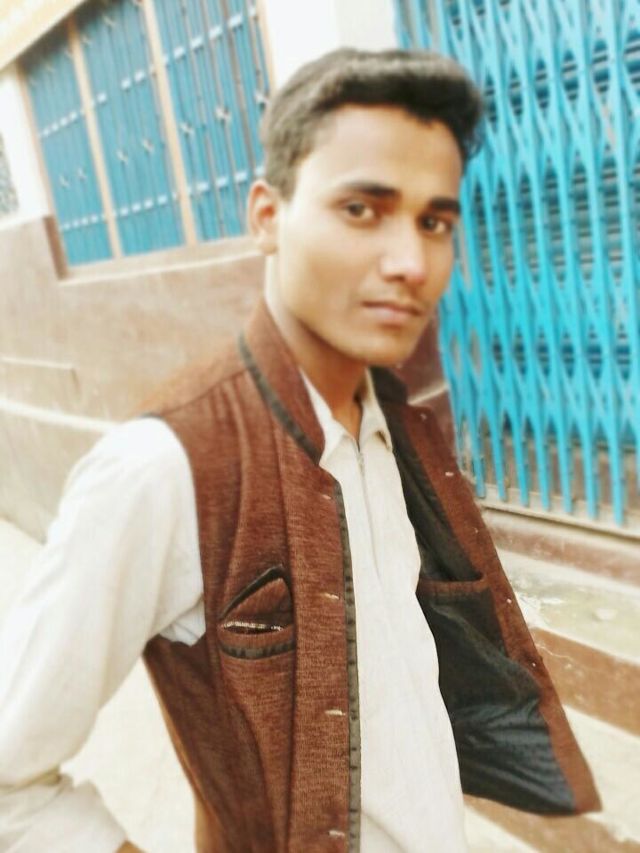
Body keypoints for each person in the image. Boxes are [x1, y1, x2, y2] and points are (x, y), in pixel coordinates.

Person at [0, 48, 598, 852]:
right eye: (361, 209)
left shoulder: (397, 428)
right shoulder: (163, 466)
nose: (410, 263)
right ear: (266, 215)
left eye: (433, 222)